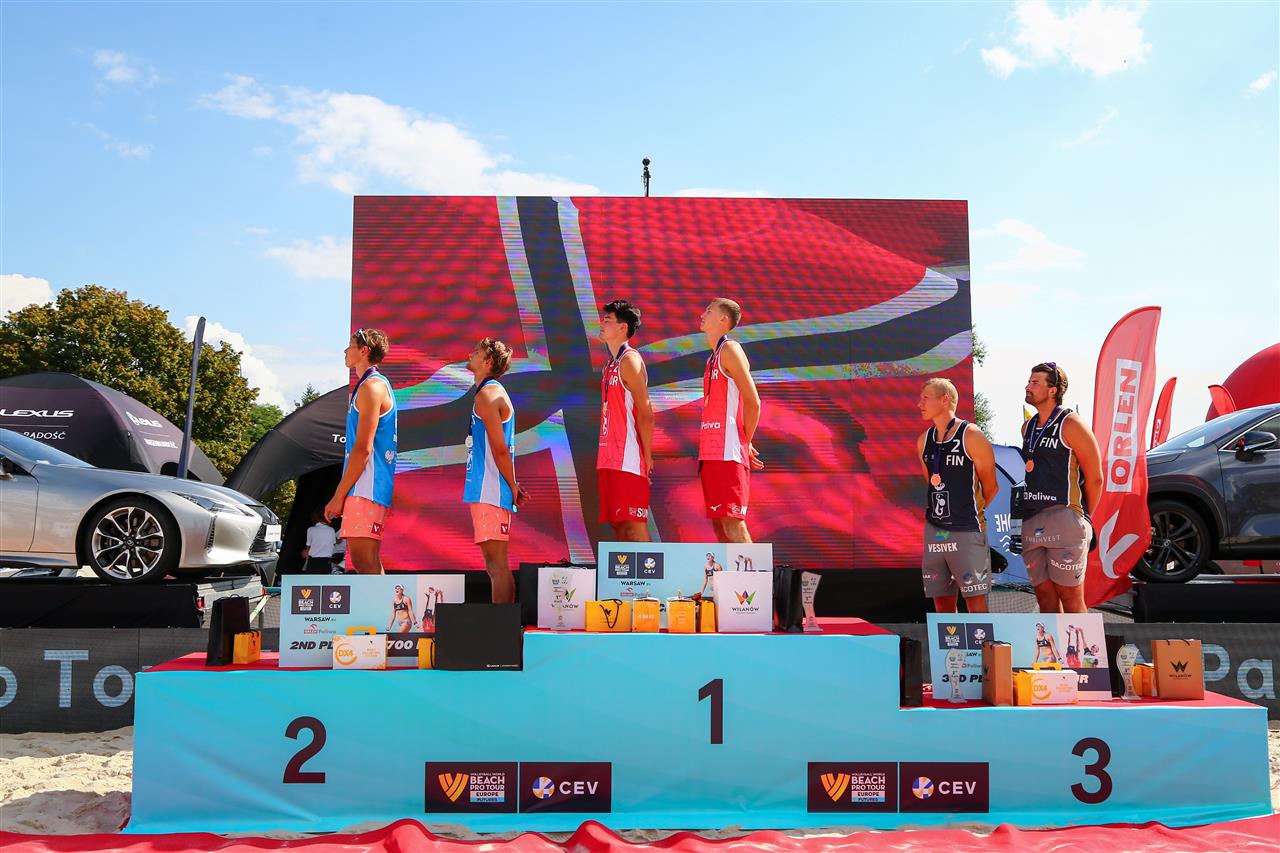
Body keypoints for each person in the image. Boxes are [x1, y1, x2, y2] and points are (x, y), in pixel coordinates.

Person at [1020, 363, 1103, 614]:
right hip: (1032, 518)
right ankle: (1051, 643)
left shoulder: (1072, 423)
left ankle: (1082, 643)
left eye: (1035, 382)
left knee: (1071, 598)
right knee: (1044, 598)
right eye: (1029, 381)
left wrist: (1082, 517)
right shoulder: (1027, 427)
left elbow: (1095, 478)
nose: (1028, 386)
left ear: (1053, 390)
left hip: (1065, 516)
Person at [915, 378, 999, 613]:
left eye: (925, 398)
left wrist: (968, 513)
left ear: (945, 400)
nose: (920, 404)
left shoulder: (971, 435)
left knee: (975, 602)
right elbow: (932, 484)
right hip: (936, 531)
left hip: (967, 529)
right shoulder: (923, 440)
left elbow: (991, 487)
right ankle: (948, 641)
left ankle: (981, 640)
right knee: (941, 601)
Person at [324, 328, 397, 575]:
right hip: (369, 484)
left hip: (368, 485)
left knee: (364, 560)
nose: (345, 350)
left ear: (364, 351)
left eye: (350, 345)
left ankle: (386, 603)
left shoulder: (371, 387)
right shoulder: (372, 385)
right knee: (365, 561)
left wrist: (338, 496)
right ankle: (386, 602)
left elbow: (363, 450)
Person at [464, 338, 530, 603]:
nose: (470, 354)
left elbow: (500, 449)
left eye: (476, 352)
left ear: (488, 362)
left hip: (489, 488)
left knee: (497, 566)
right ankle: (504, 622)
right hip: (488, 487)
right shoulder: (490, 392)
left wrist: (512, 485)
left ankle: (504, 623)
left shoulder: (487, 395)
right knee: (495, 566)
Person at [698, 298, 764, 543]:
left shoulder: (730, 349)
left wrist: (745, 440)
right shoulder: (712, 358)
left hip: (728, 451)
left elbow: (753, 402)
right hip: (710, 452)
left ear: (722, 319)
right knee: (720, 525)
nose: (702, 315)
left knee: (733, 523)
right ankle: (732, 571)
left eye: (709, 311)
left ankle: (754, 570)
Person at [597, 300, 655, 542]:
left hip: (628, 457)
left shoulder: (629, 360)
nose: (602, 324)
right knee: (619, 527)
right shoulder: (609, 364)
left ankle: (651, 569)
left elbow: (646, 412)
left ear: (623, 328)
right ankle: (629, 572)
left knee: (634, 526)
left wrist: (647, 455)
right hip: (607, 455)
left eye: (608, 321)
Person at [301, 510, 338, 575]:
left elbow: (308, 546)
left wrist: (307, 556)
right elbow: (333, 544)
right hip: (327, 562)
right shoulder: (331, 530)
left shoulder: (311, 530)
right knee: (325, 580)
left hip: (313, 562)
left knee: (312, 580)